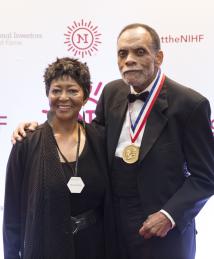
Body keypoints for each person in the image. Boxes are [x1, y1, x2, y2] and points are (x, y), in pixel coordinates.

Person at [11, 23, 214, 259]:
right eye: (122, 53)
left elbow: (206, 176)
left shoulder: (190, 104)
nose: (129, 60)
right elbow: (89, 137)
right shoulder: (111, 93)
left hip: (162, 232)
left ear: (158, 57)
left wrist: (169, 215)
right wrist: (37, 129)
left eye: (139, 52)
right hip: (112, 227)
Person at [4, 57, 117, 259]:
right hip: (44, 247)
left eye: (72, 90)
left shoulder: (100, 140)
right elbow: (12, 212)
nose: (63, 97)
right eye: (56, 90)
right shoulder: (26, 143)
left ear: (85, 96)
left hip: (95, 246)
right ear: (47, 94)